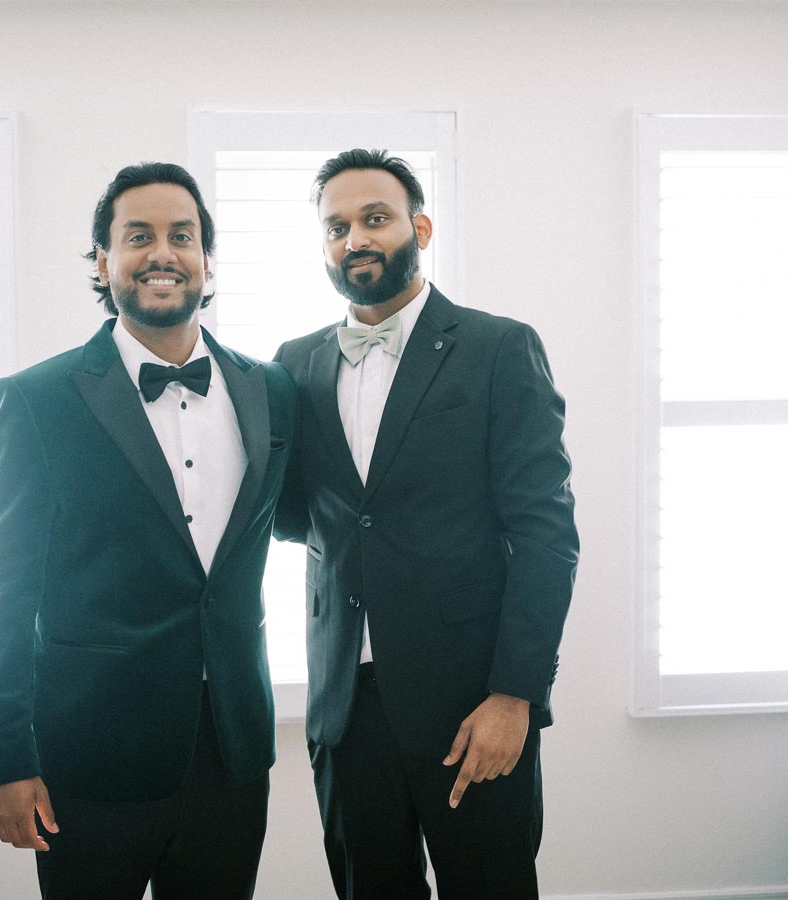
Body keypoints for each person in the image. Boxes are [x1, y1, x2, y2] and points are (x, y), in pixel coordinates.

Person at [0, 162, 295, 900]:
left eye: (182, 235)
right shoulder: (36, 401)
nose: (162, 253)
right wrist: (2, 759)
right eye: (137, 236)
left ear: (208, 261)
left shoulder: (270, 389)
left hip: (233, 752)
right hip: (89, 758)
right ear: (102, 260)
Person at [273, 149, 578, 899]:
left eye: (374, 218)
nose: (355, 239)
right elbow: (289, 517)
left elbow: (546, 535)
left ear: (420, 227)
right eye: (336, 226)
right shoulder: (293, 364)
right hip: (345, 709)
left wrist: (516, 694)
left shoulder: (499, 348)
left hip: (472, 704)